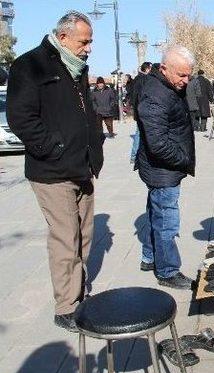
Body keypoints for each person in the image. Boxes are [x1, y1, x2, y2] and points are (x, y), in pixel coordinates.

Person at [7, 11, 104, 332]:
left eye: (90, 41)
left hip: (83, 166)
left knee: (85, 234)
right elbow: (21, 118)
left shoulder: (77, 67)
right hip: (52, 171)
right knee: (65, 237)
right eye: (84, 41)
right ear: (63, 37)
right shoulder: (29, 65)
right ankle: (66, 306)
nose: (89, 47)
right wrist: (54, 148)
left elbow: (83, 111)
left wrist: (95, 143)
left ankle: (78, 289)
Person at [135, 45, 196, 290]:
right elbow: (158, 144)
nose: (186, 80)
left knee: (155, 212)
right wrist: (183, 159)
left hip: (162, 168)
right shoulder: (156, 96)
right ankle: (168, 271)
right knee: (166, 220)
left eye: (188, 75)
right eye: (181, 75)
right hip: (163, 169)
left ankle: (150, 257)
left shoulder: (166, 87)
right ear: (164, 68)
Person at [127, 61, 152, 164]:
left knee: (140, 132)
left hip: (138, 110)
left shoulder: (137, 79)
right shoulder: (145, 79)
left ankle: (135, 156)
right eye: (150, 69)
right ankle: (136, 155)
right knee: (141, 133)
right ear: (146, 69)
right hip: (144, 110)